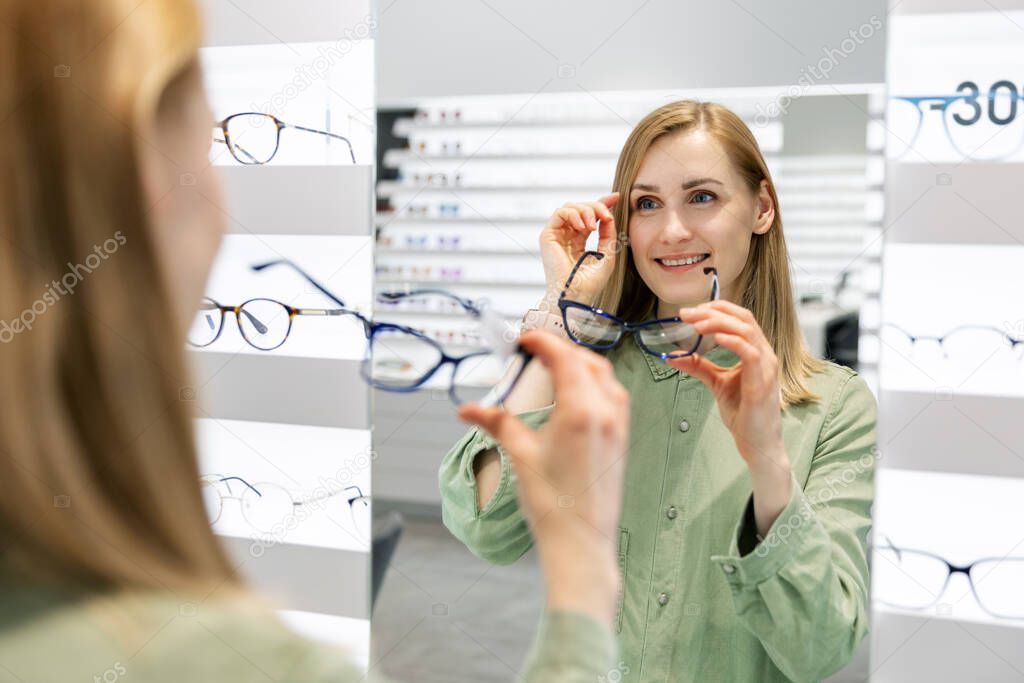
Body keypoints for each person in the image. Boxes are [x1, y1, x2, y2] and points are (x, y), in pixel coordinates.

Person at [0, 1, 630, 680]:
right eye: (215, 143)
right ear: (150, 184)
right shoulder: (214, 659)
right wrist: (582, 578)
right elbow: (478, 514)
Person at [440, 100, 878, 682]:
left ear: (761, 207)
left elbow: (819, 647)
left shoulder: (835, 407)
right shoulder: (588, 374)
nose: (672, 231)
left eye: (702, 197)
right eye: (648, 204)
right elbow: (483, 528)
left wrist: (768, 460)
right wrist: (561, 309)